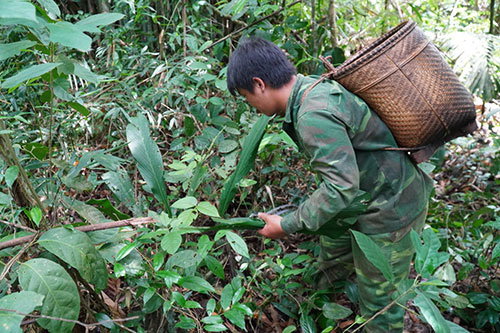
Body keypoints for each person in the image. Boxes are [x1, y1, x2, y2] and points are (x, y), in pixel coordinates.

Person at [226, 36, 434, 332]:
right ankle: (324, 322)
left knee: (380, 304)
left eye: (247, 97)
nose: (251, 106)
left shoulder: (313, 115)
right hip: (361, 202)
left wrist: (286, 225)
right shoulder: (310, 87)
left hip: (390, 208)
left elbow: (340, 188)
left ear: (259, 84)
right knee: (330, 268)